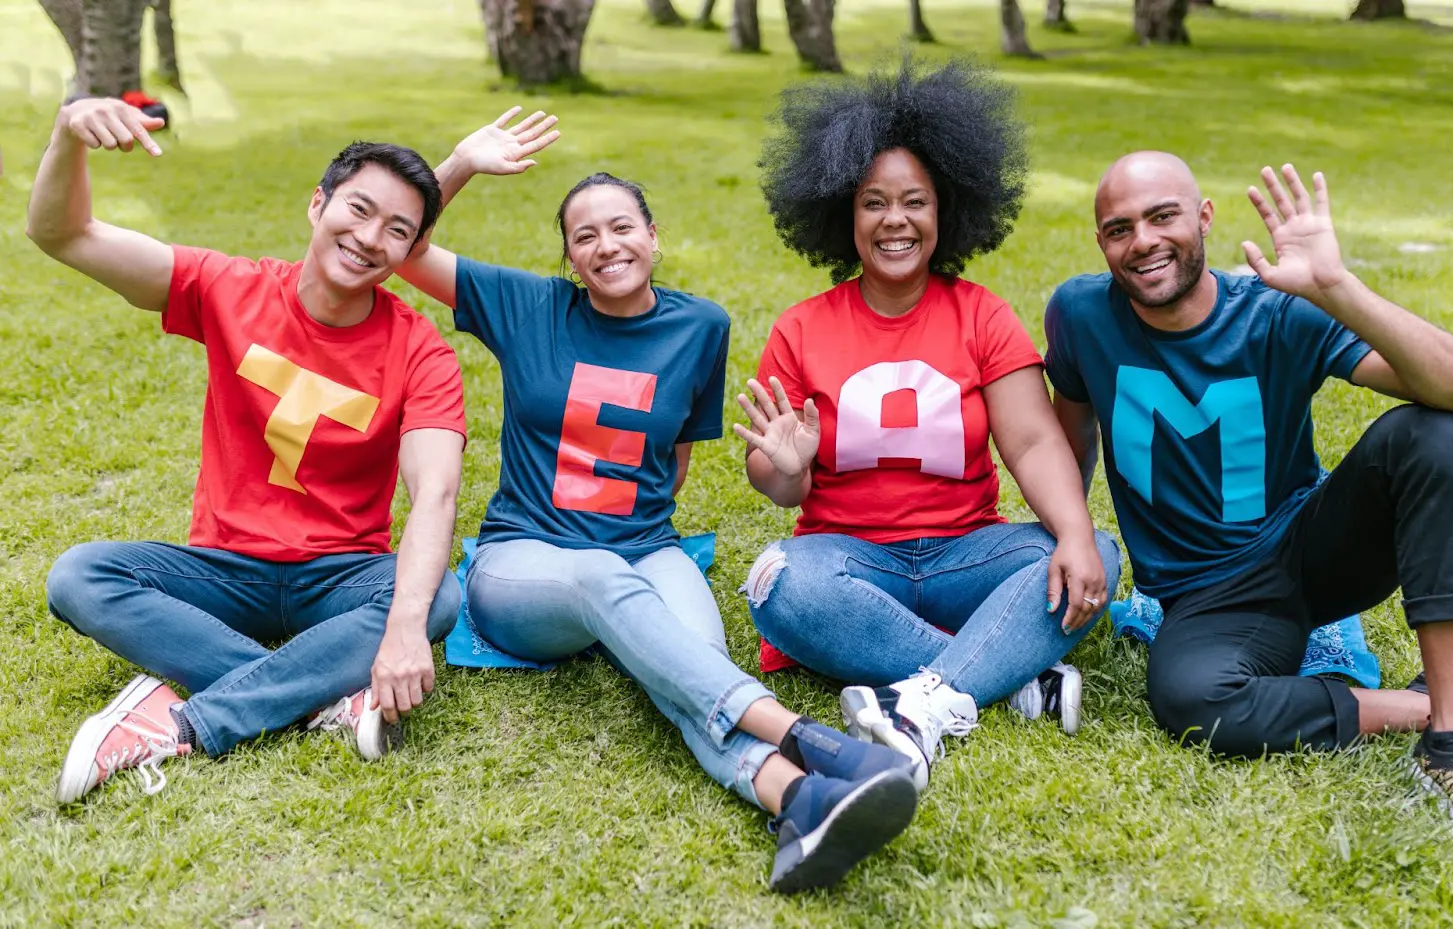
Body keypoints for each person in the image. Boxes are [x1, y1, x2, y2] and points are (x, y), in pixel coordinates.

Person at [394, 108, 919, 893]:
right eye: (585, 236)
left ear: (653, 234)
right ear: (569, 257)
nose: (607, 246)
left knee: (695, 667)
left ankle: (796, 796)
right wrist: (462, 163)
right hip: (522, 564)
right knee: (605, 584)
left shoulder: (701, 327)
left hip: (645, 548)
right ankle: (814, 739)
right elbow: (397, 246)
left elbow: (671, 465)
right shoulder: (527, 307)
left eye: (621, 227)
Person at [1044, 151, 1453, 871]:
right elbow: (1068, 437)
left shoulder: (1280, 310)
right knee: (1188, 699)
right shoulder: (1080, 314)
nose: (1141, 240)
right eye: (1118, 228)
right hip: (1208, 598)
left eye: (1162, 215)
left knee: (1428, 431)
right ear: (1101, 242)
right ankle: (1434, 701)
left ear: (1203, 217)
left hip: (1314, 551)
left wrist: (1335, 285)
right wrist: (1070, 535)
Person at [31, 98, 467, 804]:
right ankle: (326, 698)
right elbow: (64, 233)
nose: (368, 238)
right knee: (80, 576)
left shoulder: (421, 351)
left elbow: (437, 495)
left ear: (409, 250)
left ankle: (186, 720)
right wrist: (67, 135)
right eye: (357, 209)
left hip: (340, 578)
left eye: (397, 230)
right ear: (316, 203)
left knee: (436, 595)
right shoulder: (228, 288)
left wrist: (408, 626)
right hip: (224, 572)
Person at [737, 58, 1122, 792]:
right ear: (842, 214)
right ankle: (1001, 675)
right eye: (873, 203)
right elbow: (778, 484)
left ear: (945, 212)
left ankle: (927, 695)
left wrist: (1073, 535)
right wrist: (786, 466)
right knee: (778, 584)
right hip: (848, 562)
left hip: (965, 559)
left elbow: (1036, 441)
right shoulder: (802, 329)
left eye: (914, 202)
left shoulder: (982, 313)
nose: (895, 221)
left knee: (1096, 548)